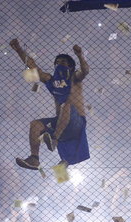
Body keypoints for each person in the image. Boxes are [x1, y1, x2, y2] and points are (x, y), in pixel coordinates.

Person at [9, 39, 90, 170]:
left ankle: (54, 140)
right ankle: (34, 158)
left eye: (63, 62)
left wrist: (80, 55)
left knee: (66, 105)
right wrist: (18, 49)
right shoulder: (51, 80)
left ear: (70, 66)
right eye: (57, 63)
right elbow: (33, 66)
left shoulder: (74, 78)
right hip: (61, 123)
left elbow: (85, 70)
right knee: (35, 124)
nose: (59, 64)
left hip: (76, 122)